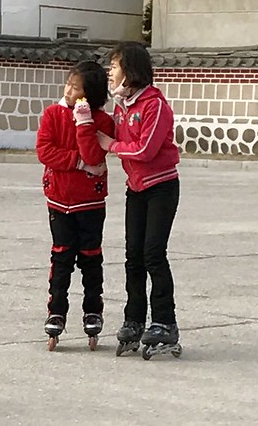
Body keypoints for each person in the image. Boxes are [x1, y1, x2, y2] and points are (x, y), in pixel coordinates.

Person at [96, 41, 181, 352]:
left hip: (161, 187)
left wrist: (109, 145)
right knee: (133, 256)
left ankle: (165, 322)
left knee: (153, 254)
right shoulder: (123, 107)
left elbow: (145, 150)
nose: (110, 72)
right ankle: (134, 319)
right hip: (136, 189)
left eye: (115, 67)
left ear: (130, 72)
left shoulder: (154, 105)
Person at [36, 61, 115, 348]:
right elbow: (45, 151)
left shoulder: (102, 121)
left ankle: (93, 311)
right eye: (68, 84)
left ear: (89, 94)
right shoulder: (52, 114)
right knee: (61, 257)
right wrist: (77, 162)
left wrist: (84, 123)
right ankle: (56, 312)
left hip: (90, 202)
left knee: (91, 257)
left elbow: (95, 156)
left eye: (76, 87)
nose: (68, 90)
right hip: (59, 200)